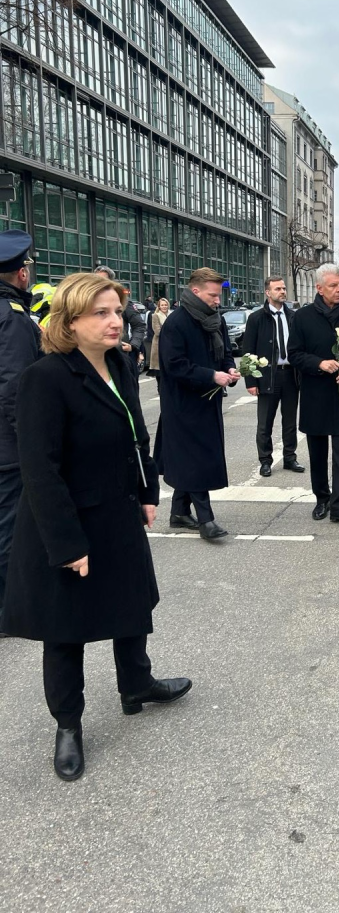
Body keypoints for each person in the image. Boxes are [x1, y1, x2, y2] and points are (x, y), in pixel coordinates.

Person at [0, 272, 191, 782]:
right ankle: (68, 726)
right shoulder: (44, 378)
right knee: (67, 628)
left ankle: (137, 685)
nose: (115, 321)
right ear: (70, 321)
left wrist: (149, 491)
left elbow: (136, 432)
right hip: (66, 520)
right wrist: (66, 543)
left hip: (118, 509)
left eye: (116, 311)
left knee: (131, 603)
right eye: (101, 313)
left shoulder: (121, 364)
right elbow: (39, 469)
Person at [154, 268, 239, 539]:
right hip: (182, 403)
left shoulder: (216, 320)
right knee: (193, 459)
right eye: (213, 295)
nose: (217, 300)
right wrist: (212, 375)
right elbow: (175, 366)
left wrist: (230, 371)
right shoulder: (176, 323)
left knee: (192, 457)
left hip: (209, 400)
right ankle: (206, 519)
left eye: (219, 294)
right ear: (195, 291)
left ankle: (179, 511)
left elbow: (225, 353)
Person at [287, 263, 339, 524]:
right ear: (319, 288)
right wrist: (319, 363)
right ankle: (321, 498)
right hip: (314, 394)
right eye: (333, 285)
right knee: (318, 452)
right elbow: (295, 354)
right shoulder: (303, 317)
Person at [0, 231, 42, 632]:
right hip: (8, 445)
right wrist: (27, 439)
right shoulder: (12, 318)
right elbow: (14, 387)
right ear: (21, 273)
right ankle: (6, 611)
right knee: (9, 525)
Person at [241, 276, 304, 477]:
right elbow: (248, 351)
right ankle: (265, 460)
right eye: (278, 289)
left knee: (290, 421)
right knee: (265, 422)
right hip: (268, 376)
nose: (282, 292)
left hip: (290, 375)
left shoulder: (293, 316)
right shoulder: (257, 318)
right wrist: (250, 381)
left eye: (284, 288)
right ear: (268, 292)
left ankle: (290, 458)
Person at [93, 266, 145, 378]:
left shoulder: (123, 302)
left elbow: (139, 326)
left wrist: (133, 345)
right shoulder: (89, 302)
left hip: (119, 356)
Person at [149, 297, 170, 390]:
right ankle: (160, 387)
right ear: (159, 306)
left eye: (165, 305)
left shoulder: (172, 314)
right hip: (159, 344)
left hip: (171, 343)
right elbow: (157, 331)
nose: (164, 306)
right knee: (159, 367)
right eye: (162, 305)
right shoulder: (155, 315)